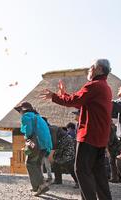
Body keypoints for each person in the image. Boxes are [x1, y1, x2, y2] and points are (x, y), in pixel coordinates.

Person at [40, 59, 113, 200]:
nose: (89, 70)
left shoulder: (94, 85)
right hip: (100, 137)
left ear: (98, 69)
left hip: (89, 135)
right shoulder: (105, 87)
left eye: (91, 67)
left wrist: (54, 97)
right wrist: (63, 95)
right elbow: (79, 101)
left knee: (81, 170)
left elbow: (74, 100)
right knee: (98, 173)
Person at [14, 101, 52, 197]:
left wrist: (27, 141)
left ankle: (41, 185)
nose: (20, 113)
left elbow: (28, 132)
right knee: (37, 164)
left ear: (23, 110)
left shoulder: (26, 116)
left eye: (20, 111)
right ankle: (37, 186)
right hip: (45, 145)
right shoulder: (39, 117)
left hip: (37, 144)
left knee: (30, 163)